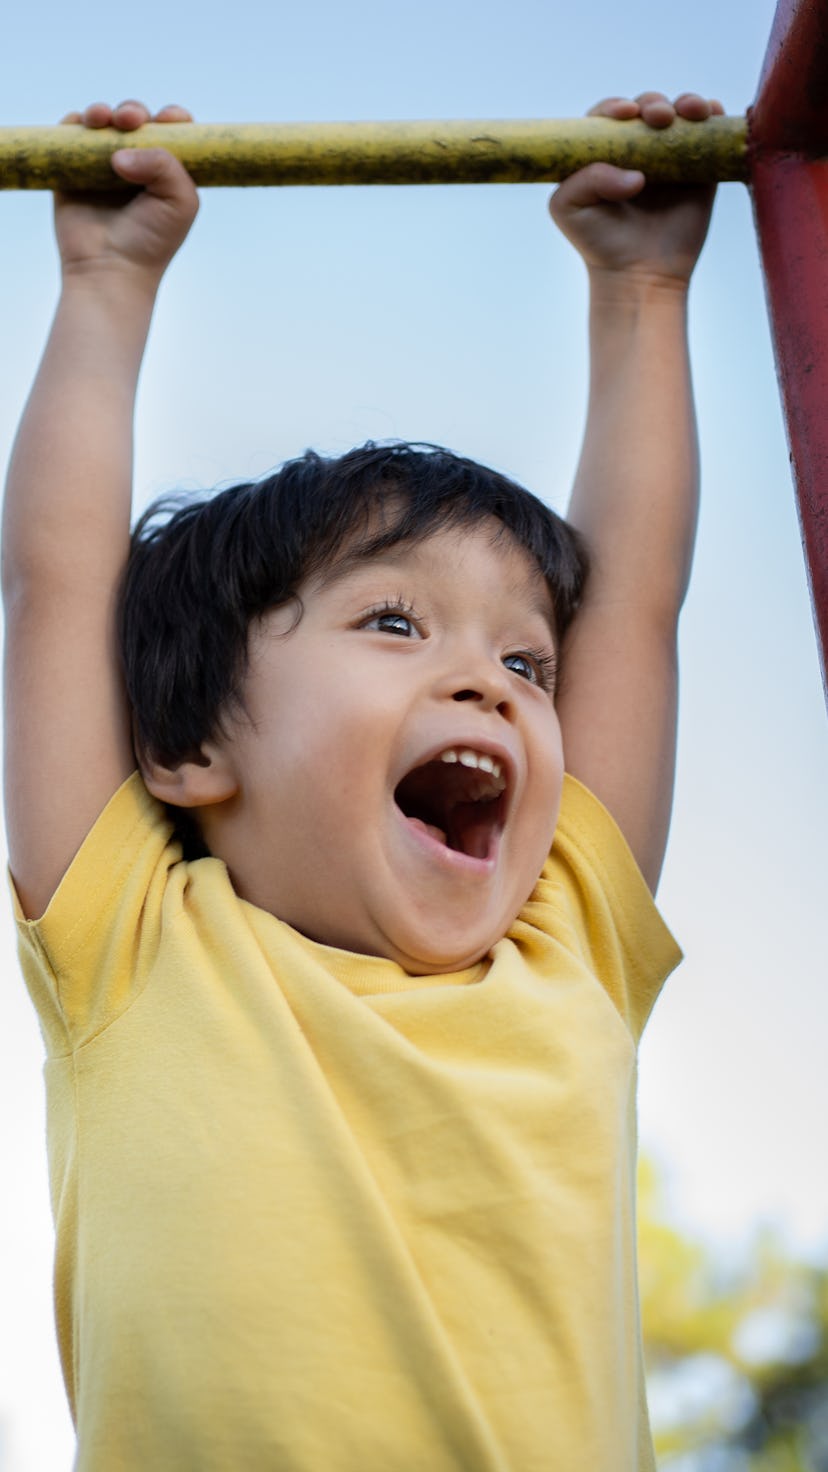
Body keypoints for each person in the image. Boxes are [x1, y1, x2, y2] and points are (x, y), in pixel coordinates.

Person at [2, 91, 721, 1471]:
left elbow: (630, 608)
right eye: (394, 622)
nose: (489, 680)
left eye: (524, 657)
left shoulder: (567, 939)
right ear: (191, 749)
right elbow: (57, 586)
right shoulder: (139, 947)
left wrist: (642, 290)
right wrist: (105, 282)